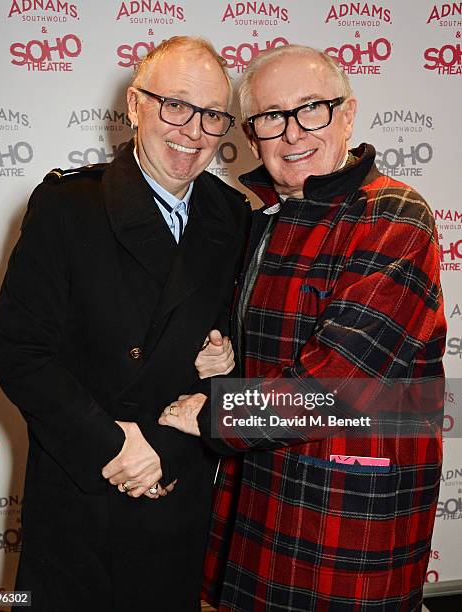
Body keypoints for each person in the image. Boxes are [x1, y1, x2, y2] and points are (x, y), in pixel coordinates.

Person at [159, 44, 446, 611]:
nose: (292, 133)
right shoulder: (261, 219)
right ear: (252, 132)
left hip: (347, 512)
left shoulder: (394, 217)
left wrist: (213, 410)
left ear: (347, 114)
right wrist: (220, 354)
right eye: (271, 117)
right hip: (258, 491)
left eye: (311, 108)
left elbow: (338, 386)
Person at [0, 36, 249, 612]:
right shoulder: (67, 206)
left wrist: (168, 447)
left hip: (178, 492)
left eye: (212, 115)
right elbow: (20, 352)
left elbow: (237, 354)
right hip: (82, 495)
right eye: (175, 105)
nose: (193, 130)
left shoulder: (232, 216)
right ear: (136, 106)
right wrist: (115, 445)